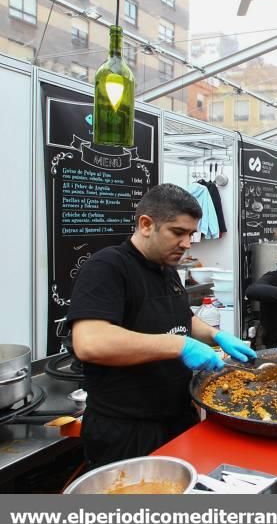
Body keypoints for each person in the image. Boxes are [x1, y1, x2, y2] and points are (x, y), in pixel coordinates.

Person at [67, 184, 257, 469]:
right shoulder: (107, 266)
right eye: (178, 232)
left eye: (191, 234)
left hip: (177, 417)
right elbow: (90, 342)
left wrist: (216, 335)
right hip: (127, 430)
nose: (187, 243)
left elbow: (181, 318)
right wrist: (179, 345)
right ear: (146, 225)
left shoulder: (167, 270)